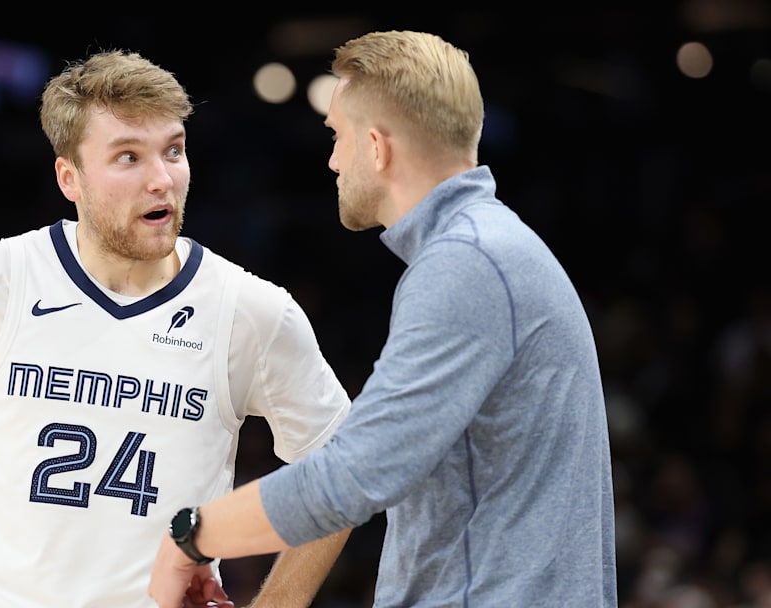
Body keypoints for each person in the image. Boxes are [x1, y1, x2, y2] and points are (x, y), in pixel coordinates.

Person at [0, 49, 353, 607]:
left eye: (174, 151)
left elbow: (343, 463)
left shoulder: (250, 310)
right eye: (128, 157)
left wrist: (277, 603)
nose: (162, 179)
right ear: (71, 178)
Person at [149, 29, 618, 607]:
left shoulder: (467, 263)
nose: (332, 160)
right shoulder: (491, 249)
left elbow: (353, 475)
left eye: (338, 137)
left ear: (377, 147)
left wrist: (191, 537)